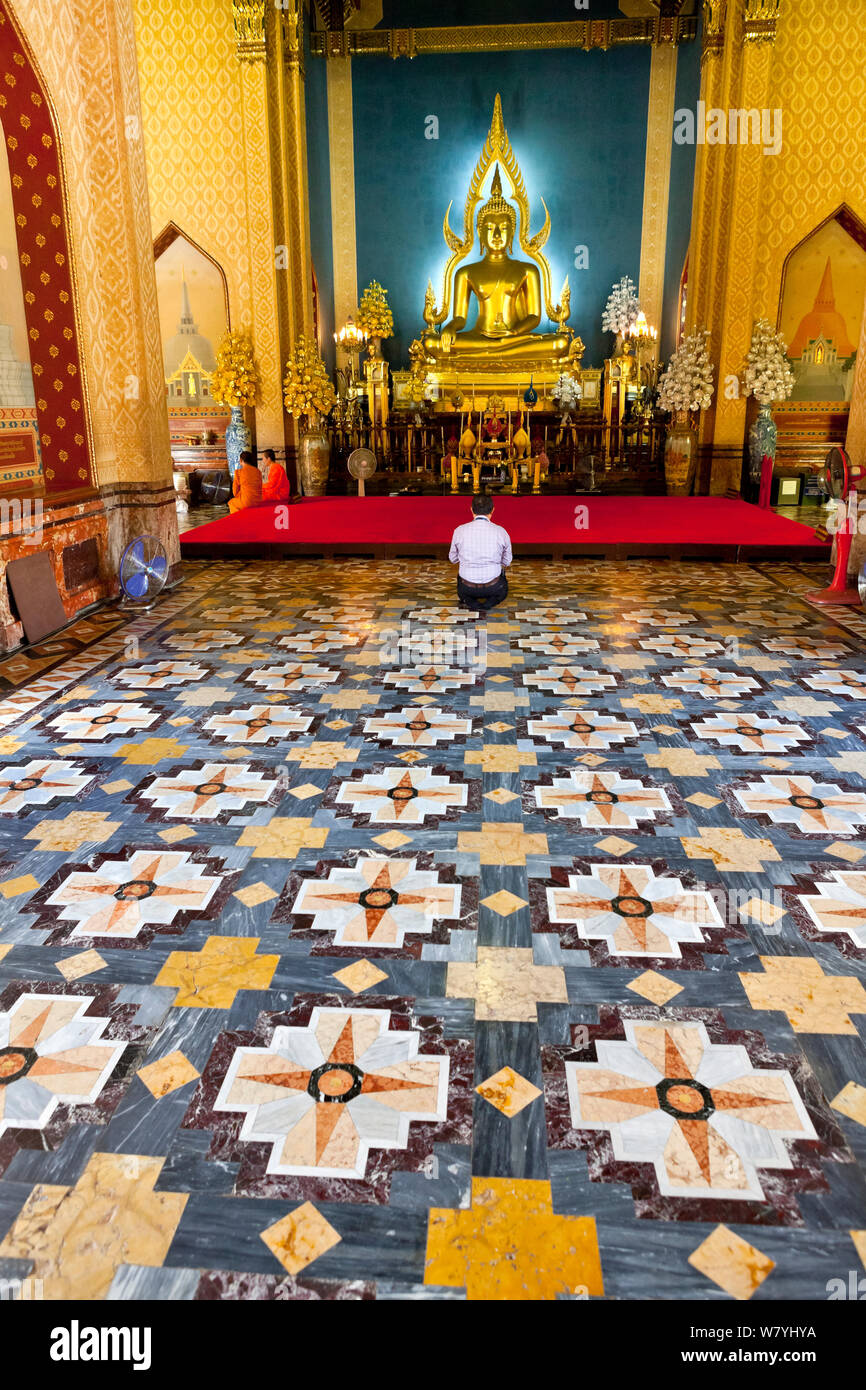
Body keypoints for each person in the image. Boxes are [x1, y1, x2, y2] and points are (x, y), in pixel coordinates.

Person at [448, 493, 512, 612]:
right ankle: (488, 604)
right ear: (493, 510)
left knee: (462, 589)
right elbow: (507, 561)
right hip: (494, 586)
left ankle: (470, 601)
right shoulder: (501, 531)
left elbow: (452, 559)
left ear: (471, 509)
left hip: (466, 587)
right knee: (503, 590)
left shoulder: (459, 531)